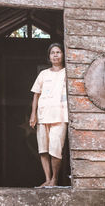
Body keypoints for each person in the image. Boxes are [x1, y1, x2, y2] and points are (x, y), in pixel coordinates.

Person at [29, 43, 68, 187]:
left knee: (56, 148)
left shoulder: (67, 73)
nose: (56, 55)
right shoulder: (43, 74)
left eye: (58, 52)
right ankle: (47, 179)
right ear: (49, 56)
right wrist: (33, 115)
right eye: (53, 53)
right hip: (43, 115)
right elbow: (36, 95)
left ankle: (55, 179)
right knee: (43, 149)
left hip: (60, 116)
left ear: (63, 55)